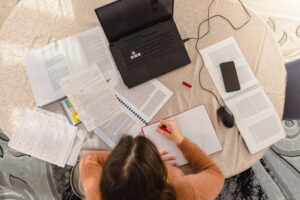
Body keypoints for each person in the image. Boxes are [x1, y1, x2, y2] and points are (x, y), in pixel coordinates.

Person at [80, 120, 224, 200]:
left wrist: (135, 161)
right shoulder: (185, 193)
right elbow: (215, 174)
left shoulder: (98, 196)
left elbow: (89, 159)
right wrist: (181, 141)